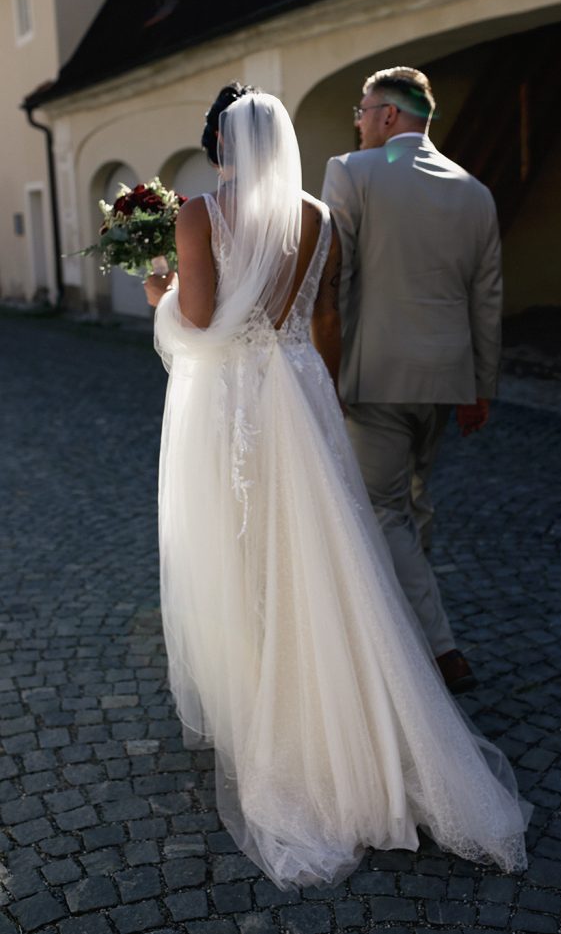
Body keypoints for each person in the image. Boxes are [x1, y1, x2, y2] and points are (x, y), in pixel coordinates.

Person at [144, 83, 529, 889]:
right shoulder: (316, 214)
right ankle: (353, 712)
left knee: (241, 546)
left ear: (223, 144)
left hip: (239, 400)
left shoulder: (199, 215)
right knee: (321, 550)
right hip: (299, 389)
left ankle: (268, 712)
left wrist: (159, 299)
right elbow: (323, 318)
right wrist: (323, 393)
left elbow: (208, 327)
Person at [321, 66, 503, 695]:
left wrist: (330, 365)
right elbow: (488, 297)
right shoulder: (474, 191)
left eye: (363, 109)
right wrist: (482, 387)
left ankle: (440, 650)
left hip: (373, 374)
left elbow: (334, 280)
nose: (358, 120)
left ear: (390, 116)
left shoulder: (350, 172)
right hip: (444, 378)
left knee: (386, 510)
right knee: (415, 504)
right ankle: (405, 626)